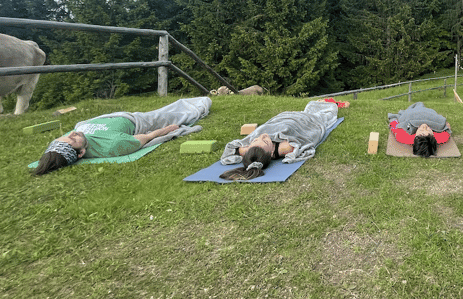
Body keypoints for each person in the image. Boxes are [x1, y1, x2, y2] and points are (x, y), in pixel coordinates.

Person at [33, 96, 211, 176]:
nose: (72, 134)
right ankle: (202, 103)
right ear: (81, 153)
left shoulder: (63, 143)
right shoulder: (113, 145)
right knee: (187, 110)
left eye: (66, 136)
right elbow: (145, 138)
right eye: (73, 139)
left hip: (111, 115)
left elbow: (56, 152)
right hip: (138, 121)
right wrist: (166, 130)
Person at [219, 99, 341, 179]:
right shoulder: (286, 148)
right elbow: (307, 140)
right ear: (272, 153)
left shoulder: (251, 150)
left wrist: (249, 150)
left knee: (311, 105)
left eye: (255, 140)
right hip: (302, 122)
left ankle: (315, 105)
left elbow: (232, 148)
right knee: (327, 112)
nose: (263, 136)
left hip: (282, 118)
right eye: (266, 141)